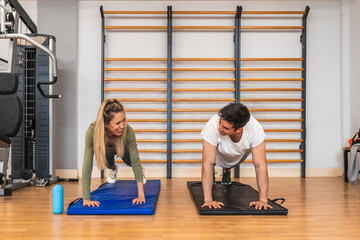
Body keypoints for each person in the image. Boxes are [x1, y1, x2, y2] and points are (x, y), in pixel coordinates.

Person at [200, 103, 273, 210]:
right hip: (219, 150)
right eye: (220, 123)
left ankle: (226, 170)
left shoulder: (255, 129)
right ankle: (214, 174)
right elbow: (207, 163)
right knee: (211, 163)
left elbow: (260, 165)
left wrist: (263, 200)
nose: (219, 128)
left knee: (231, 162)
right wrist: (208, 200)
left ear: (239, 129)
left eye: (225, 127)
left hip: (240, 153)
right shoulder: (212, 125)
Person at [82, 99, 146, 207]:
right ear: (106, 124)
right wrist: (86, 198)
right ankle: (113, 169)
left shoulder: (128, 131)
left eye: (123, 120)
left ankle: (141, 170)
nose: (122, 125)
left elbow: (135, 160)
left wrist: (141, 195)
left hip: (122, 148)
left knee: (131, 162)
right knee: (107, 163)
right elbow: (87, 165)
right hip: (106, 151)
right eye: (118, 123)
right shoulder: (92, 131)